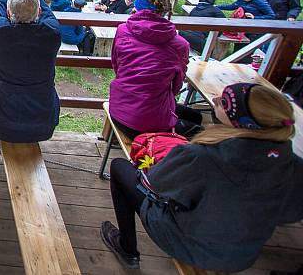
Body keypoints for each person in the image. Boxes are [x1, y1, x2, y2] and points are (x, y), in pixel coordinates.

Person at [101, 82, 303, 272]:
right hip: (244, 253)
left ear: (243, 122)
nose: (215, 100)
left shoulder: (204, 156)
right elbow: (290, 213)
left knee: (120, 168)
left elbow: (157, 182)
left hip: (190, 245)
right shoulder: (292, 164)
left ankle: (127, 248)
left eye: (223, 103)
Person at [0, 0, 61, 175]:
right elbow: (48, 14)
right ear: (38, 13)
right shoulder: (52, 34)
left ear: (9, 13)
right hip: (42, 123)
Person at [108, 0, 202, 140]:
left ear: (136, 8)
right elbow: (176, 87)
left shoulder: (122, 30)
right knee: (200, 128)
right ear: (165, 11)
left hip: (118, 109)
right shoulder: (180, 45)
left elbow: (116, 65)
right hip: (148, 124)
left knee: (192, 115)